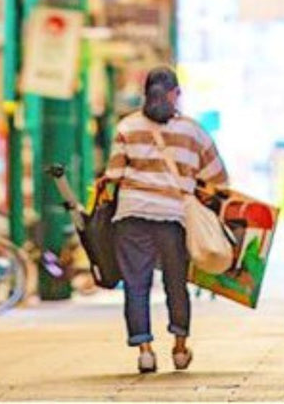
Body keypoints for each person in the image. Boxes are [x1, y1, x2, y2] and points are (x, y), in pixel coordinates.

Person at [102, 67, 228, 374]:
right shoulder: (193, 131)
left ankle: (145, 350)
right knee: (176, 283)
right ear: (175, 94)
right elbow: (218, 178)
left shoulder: (127, 127)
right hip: (173, 217)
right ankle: (180, 347)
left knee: (136, 284)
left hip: (131, 215)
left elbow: (114, 175)